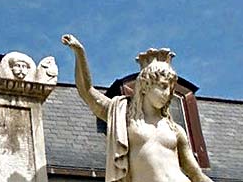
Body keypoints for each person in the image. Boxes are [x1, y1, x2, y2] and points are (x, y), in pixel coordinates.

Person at [61, 34, 212, 182]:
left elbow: (196, 175)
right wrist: (80, 52)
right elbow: (87, 92)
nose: (167, 94)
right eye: (162, 86)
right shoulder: (122, 116)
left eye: (170, 89)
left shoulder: (175, 129)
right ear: (145, 86)